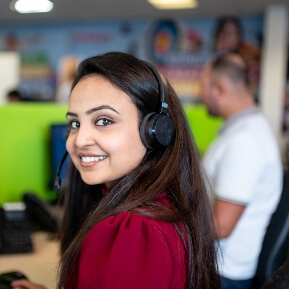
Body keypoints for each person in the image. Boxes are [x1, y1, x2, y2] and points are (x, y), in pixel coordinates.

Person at [11, 51, 220, 289]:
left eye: (104, 121)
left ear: (155, 132)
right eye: (75, 123)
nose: (79, 140)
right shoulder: (161, 208)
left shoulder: (133, 231)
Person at [201, 52, 283, 289]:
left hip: (223, 274)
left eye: (203, 86)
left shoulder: (246, 141)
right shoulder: (241, 131)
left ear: (219, 89)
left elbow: (221, 226)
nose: (200, 94)